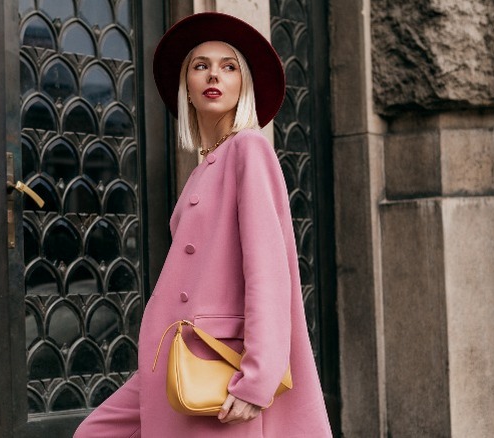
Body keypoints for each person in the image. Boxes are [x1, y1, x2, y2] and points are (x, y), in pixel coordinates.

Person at [74, 12, 332, 437]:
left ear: (243, 84)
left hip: (217, 362)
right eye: (201, 66)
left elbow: (269, 272)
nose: (214, 74)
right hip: (168, 360)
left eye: (229, 66)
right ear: (187, 89)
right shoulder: (205, 166)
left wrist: (258, 377)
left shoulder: (249, 149)